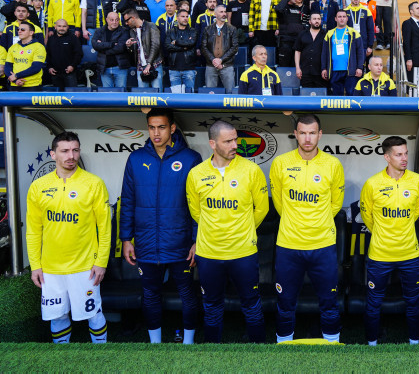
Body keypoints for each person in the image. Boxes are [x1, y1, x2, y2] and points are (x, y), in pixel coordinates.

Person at [120, 109, 202, 344]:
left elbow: (198, 205)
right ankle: (155, 344)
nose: (156, 133)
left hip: (180, 242)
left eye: (162, 127)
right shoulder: (136, 159)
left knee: (187, 294)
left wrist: (197, 240)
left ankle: (188, 344)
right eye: (152, 127)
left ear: (172, 128)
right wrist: (126, 239)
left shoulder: (190, 158)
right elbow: (127, 200)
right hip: (146, 243)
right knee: (150, 294)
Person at [186, 120, 269, 343]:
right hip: (209, 253)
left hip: (243, 252)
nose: (235, 145)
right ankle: (213, 353)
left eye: (236, 139)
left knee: (251, 304)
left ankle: (259, 351)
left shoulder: (251, 170)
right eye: (228, 141)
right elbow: (196, 211)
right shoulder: (196, 174)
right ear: (213, 143)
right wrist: (216, 228)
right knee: (212, 306)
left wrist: (243, 229)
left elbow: (261, 208)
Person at [26, 132, 111, 344]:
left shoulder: (94, 183)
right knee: (58, 316)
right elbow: (33, 230)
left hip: (85, 266)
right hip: (51, 269)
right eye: (64, 151)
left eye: (75, 150)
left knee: (94, 313)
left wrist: (101, 262)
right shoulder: (38, 187)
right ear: (53, 154)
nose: (70, 156)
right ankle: (62, 355)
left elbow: (105, 227)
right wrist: (35, 265)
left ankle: (103, 356)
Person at [269, 114, 345, 343]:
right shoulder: (281, 163)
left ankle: (332, 347)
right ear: (296, 134)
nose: (308, 138)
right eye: (303, 132)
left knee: (329, 303)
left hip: (322, 246)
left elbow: (335, 204)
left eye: (312, 133)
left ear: (320, 134)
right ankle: (284, 347)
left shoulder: (333, 165)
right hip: (288, 246)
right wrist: (297, 221)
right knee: (285, 303)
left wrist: (315, 222)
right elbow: (280, 204)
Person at [359, 136, 419, 345]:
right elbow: (367, 216)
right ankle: (372, 344)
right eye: (398, 154)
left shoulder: (417, 181)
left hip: (410, 254)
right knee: (373, 303)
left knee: (414, 302)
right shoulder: (372, 184)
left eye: (406, 153)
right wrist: (382, 232)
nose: (404, 158)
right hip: (380, 255)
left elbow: (416, 211)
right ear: (387, 157)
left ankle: (414, 343)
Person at [322, 9, 364, 96]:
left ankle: (351, 110)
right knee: (336, 96)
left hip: (350, 70)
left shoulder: (354, 33)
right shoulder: (329, 33)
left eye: (344, 17)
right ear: (335, 19)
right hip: (334, 70)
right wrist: (324, 68)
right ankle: (338, 111)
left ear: (347, 19)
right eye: (339, 17)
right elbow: (324, 53)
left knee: (351, 94)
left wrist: (360, 67)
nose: (342, 19)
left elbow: (360, 52)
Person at [200, 5, 238, 93]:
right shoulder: (207, 29)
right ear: (215, 14)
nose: (224, 14)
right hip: (211, 65)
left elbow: (234, 47)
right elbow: (204, 47)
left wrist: (221, 60)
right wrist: (213, 60)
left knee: (230, 93)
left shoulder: (232, 29)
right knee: (210, 94)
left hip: (227, 65)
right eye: (221, 12)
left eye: (225, 12)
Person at [123, 8, 163, 89]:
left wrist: (149, 64)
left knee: (158, 96)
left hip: (154, 65)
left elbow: (155, 46)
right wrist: (129, 46)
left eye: (127, 21)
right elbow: (136, 52)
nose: (126, 23)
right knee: (142, 97)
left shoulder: (151, 26)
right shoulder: (132, 31)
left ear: (133, 18)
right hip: (140, 67)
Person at [92, 12, 131, 88]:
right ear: (106, 20)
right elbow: (95, 45)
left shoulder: (124, 31)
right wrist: (112, 44)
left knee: (121, 95)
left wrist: (102, 47)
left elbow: (120, 48)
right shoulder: (99, 31)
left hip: (120, 68)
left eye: (117, 20)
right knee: (107, 96)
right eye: (112, 20)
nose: (115, 22)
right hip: (104, 68)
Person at [5, 21, 47, 90]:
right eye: (18, 29)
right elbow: (7, 66)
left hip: (32, 86)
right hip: (14, 84)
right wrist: (15, 80)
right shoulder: (13, 47)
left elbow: (36, 68)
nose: (19, 31)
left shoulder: (39, 47)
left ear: (31, 32)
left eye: (23, 30)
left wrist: (16, 75)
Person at [164, 9, 198, 93]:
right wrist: (184, 47)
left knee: (190, 96)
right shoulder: (171, 31)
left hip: (189, 69)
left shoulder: (193, 31)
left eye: (187, 16)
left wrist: (176, 42)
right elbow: (168, 46)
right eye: (183, 16)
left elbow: (191, 43)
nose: (185, 18)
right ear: (177, 18)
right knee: (175, 98)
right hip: (174, 69)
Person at [46, 18, 83, 91]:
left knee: (72, 98)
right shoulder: (51, 39)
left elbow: (79, 54)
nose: (61, 28)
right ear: (55, 27)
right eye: (59, 26)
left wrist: (72, 66)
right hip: (55, 74)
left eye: (64, 26)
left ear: (68, 27)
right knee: (57, 99)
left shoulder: (73, 38)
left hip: (69, 73)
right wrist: (49, 67)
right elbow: (48, 55)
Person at [294, 12, 327, 89]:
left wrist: (325, 69)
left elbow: (328, 53)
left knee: (320, 96)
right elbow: (297, 51)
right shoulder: (302, 34)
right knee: (306, 97)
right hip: (305, 72)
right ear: (309, 21)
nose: (317, 21)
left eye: (319, 19)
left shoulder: (326, 35)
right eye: (314, 19)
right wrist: (298, 68)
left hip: (320, 72)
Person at [401, 2, 419, 81]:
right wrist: (409, 59)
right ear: (411, 11)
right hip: (412, 60)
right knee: (411, 84)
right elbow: (406, 42)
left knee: (418, 83)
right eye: (417, 8)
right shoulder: (407, 23)